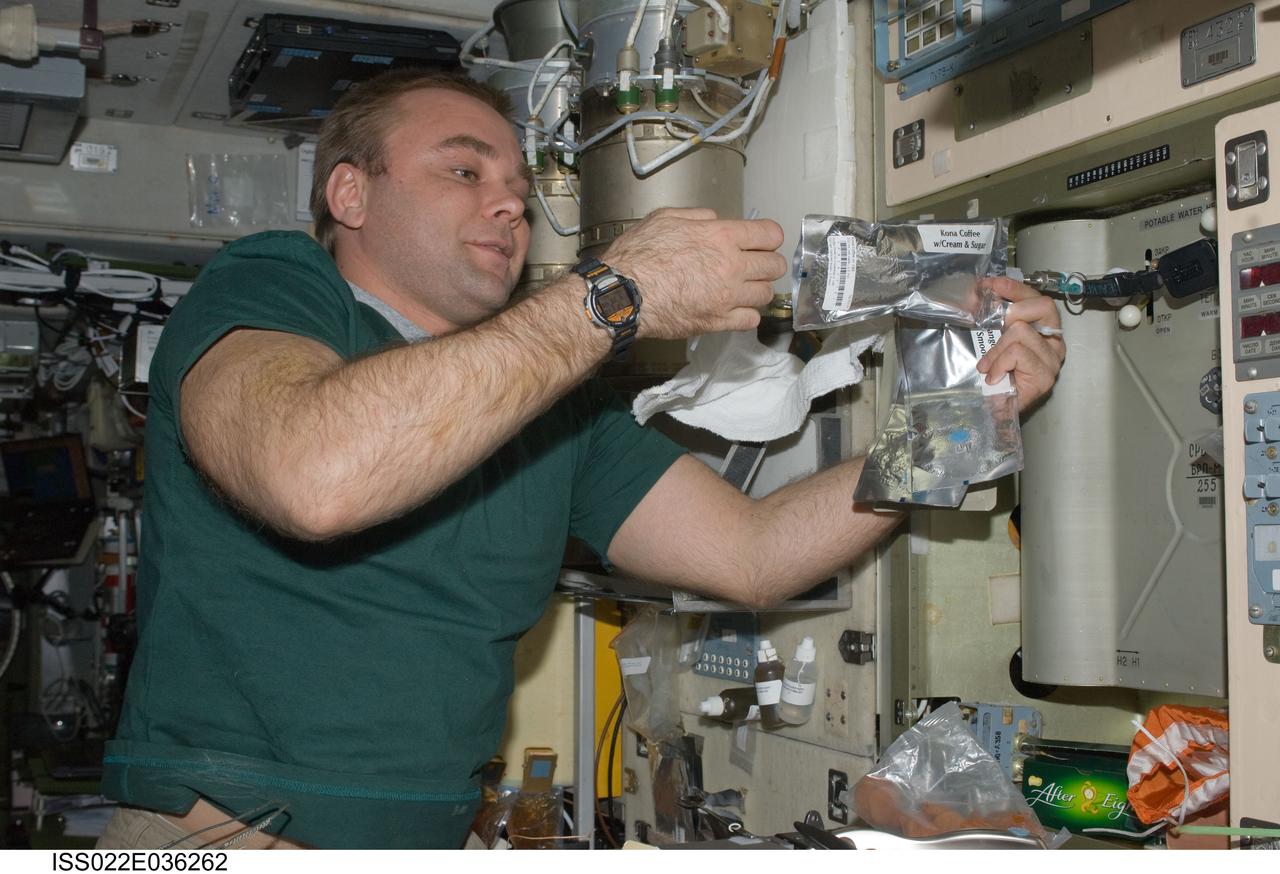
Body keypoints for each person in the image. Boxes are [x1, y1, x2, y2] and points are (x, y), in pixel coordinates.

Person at [97, 69, 1065, 850]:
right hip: (223, 836)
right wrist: (616, 295)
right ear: (349, 191)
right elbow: (316, 477)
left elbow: (752, 554)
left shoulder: (547, 401)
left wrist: (956, 422)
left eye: (520, 191)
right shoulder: (274, 285)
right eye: (464, 172)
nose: (509, 207)